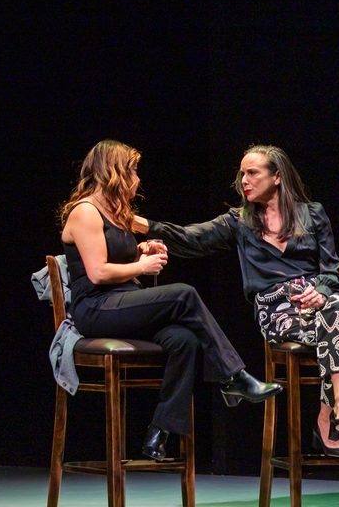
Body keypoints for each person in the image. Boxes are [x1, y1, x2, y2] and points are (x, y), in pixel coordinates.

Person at [134, 145, 339, 458]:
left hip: (318, 305)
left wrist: (321, 292)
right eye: (242, 173)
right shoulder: (239, 221)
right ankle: (332, 419)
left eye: (252, 172)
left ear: (277, 176)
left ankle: (333, 411)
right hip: (277, 311)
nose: (244, 180)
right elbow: (191, 238)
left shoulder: (313, 214)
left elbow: (331, 272)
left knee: (337, 306)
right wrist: (139, 224)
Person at [59, 140, 280, 462]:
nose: (137, 178)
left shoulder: (116, 214)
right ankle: (236, 377)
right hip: (96, 308)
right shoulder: (85, 212)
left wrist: (140, 251)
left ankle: (158, 433)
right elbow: (98, 273)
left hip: (123, 302)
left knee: (185, 340)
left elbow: (115, 258)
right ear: (114, 172)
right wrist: (142, 267)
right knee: (183, 293)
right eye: (132, 170)